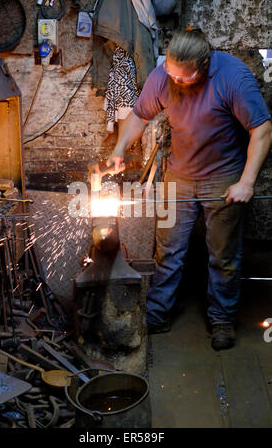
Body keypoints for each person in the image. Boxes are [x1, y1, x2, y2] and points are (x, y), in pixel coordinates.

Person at [107, 29, 272, 350]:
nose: (177, 83)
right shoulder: (163, 76)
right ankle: (157, 314)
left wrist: (247, 182)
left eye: (185, 78)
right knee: (167, 249)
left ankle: (222, 318)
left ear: (204, 65)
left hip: (223, 177)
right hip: (179, 174)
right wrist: (120, 148)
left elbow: (262, 130)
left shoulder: (234, 78)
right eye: (172, 75)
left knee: (223, 255)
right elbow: (140, 116)